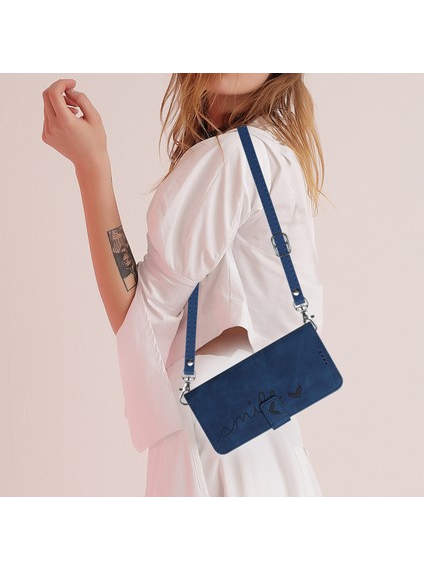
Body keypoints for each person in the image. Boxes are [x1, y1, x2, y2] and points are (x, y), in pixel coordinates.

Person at [42, 73, 327, 496]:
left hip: (215, 426)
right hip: (268, 430)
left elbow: (138, 317)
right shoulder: (275, 153)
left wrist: (91, 165)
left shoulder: (233, 156)